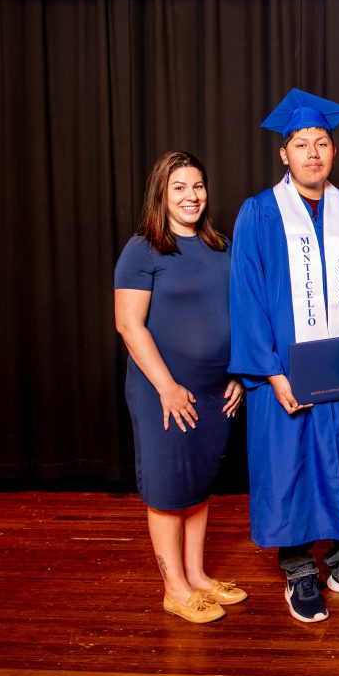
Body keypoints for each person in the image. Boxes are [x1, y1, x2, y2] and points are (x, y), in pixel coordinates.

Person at [229, 89, 339, 623]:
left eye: (321, 143)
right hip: (287, 377)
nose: (313, 154)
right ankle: (299, 571)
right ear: (284, 155)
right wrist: (271, 374)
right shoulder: (258, 213)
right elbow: (247, 297)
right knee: (289, 469)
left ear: (334, 152)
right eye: (302, 145)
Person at [114, 150, 246, 623]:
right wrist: (168, 387)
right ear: (161, 195)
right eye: (179, 188)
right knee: (169, 491)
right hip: (162, 392)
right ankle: (175, 589)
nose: (191, 196)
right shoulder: (144, 248)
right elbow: (130, 325)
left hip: (215, 390)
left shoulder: (220, 245)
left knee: (198, 485)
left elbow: (235, 316)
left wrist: (238, 375)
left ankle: (198, 576)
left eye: (197, 186)